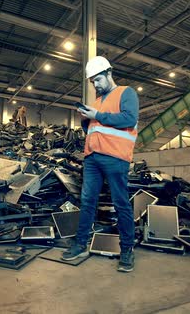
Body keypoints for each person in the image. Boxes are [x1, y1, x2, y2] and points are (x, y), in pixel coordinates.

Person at [61, 56, 139, 272]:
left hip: (115, 157)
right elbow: (94, 130)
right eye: (92, 81)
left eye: (97, 80)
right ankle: (80, 244)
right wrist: (86, 119)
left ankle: (127, 250)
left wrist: (97, 115)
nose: (95, 84)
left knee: (121, 203)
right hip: (92, 158)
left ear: (108, 73)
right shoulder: (96, 102)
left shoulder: (126, 93)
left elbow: (129, 119)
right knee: (87, 202)